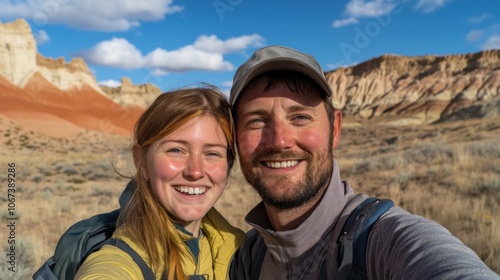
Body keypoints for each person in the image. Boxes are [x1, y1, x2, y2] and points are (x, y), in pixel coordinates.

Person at [228, 46, 500, 279]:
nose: (280, 141)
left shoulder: (382, 241)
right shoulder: (249, 256)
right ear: (235, 137)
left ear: (334, 130)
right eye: (257, 120)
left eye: (300, 117)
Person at [75, 86, 245, 280]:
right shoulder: (123, 255)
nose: (195, 171)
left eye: (212, 153)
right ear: (141, 161)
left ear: (229, 164)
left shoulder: (242, 250)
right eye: (176, 150)